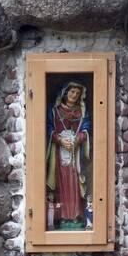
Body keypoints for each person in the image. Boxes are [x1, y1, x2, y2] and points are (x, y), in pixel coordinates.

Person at [46, 80, 91, 230]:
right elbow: (49, 127)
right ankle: (63, 217)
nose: (74, 95)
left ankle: (76, 215)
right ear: (65, 93)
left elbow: (86, 127)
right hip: (59, 153)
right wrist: (59, 140)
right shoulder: (55, 111)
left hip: (75, 153)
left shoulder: (82, 111)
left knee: (75, 182)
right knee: (61, 182)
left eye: (77, 93)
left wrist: (78, 139)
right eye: (72, 92)